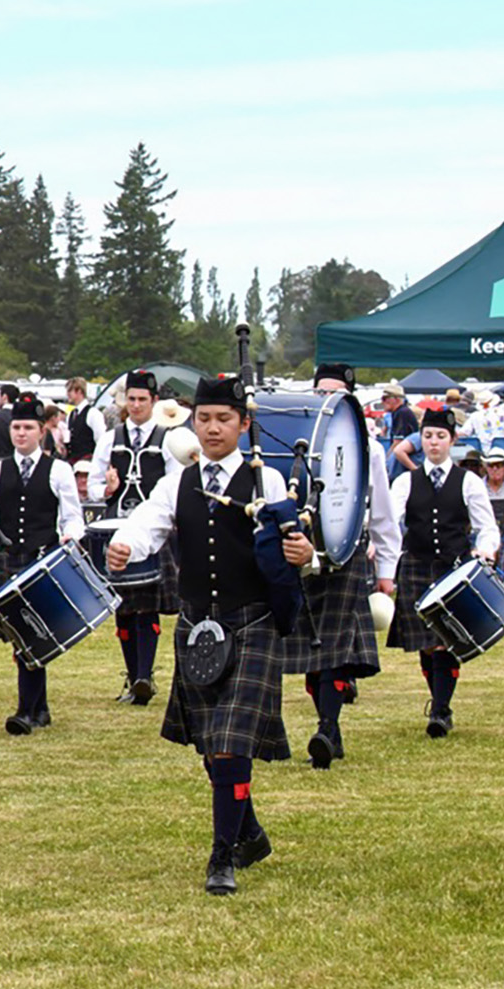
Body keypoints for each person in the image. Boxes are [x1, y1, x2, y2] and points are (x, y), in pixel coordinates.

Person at [106, 372, 315, 894]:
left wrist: (306, 556)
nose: (213, 428)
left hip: (254, 622)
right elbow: (148, 521)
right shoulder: (178, 480)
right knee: (209, 744)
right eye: (204, 419)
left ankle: (222, 855)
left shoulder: (266, 480)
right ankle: (249, 833)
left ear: (245, 425)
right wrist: (126, 545)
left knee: (230, 742)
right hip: (199, 625)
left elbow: (302, 545)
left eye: (224, 419)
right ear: (192, 423)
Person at [287, 363, 397, 769]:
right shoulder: (297, 440)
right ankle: (329, 726)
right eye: (320, 392)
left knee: (333, 648)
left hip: (347, 553)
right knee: (308, 648)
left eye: (334, 394)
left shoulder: (369, 447)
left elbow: (383, 513)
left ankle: (327, 727)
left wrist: (386, 571)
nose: (325, 401)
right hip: (301, 550)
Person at [386, 407, 500, 738]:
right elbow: (390, 521)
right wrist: (378, 546)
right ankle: (439, 702)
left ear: (452, 440)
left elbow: (487, 527)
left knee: (445, 643)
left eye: (440, 437)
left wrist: (486, 550)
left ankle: (440, 710)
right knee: (425, 644)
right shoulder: (406, 481)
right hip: (417, 566)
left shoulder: (470, 482)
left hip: (454, 569)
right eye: (427, 436)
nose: (433, 443)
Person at [0, 393, 86, 736]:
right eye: (16, 427)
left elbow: (72, 517)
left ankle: (28, 711)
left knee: (34, 637)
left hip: (42, 560)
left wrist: (71, 540)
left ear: (42, 431)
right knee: (22, 637)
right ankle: (39, 708)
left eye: (28, 428)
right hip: (7, 559)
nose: (21, 433)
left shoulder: (60, 470)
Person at [86, 370, 180, 705]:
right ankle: (133, 675)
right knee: (123, 609)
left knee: (147, 608)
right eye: (132, 399)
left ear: (154, 402)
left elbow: (175, 486)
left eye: (143, 399)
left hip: (153, 535)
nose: (136, 405)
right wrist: (107, 489)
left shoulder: (167, 439)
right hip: (118, 533)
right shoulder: (111, 439)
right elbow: (93, 485)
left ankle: (144, 675)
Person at [64, 377, 106, 464]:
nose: (67, 394)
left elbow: (101, 440)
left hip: (88, 462)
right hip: (72, 461)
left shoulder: (93, 413)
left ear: (79, 391)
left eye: (69, 391)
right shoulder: (71, 414)